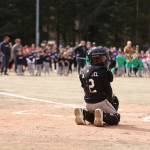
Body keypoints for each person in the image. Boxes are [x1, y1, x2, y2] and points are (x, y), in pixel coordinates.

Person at [74, 47, 120, 127]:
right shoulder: (103, 71)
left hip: (88, 103)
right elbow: (108, 89)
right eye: (103, 58)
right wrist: (111, 102)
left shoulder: (83, 70)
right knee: (116, 118)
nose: (105, 59)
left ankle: (84, 113)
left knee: (94, 114)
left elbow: (84, 88)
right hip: (101, 102)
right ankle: (103, 115)